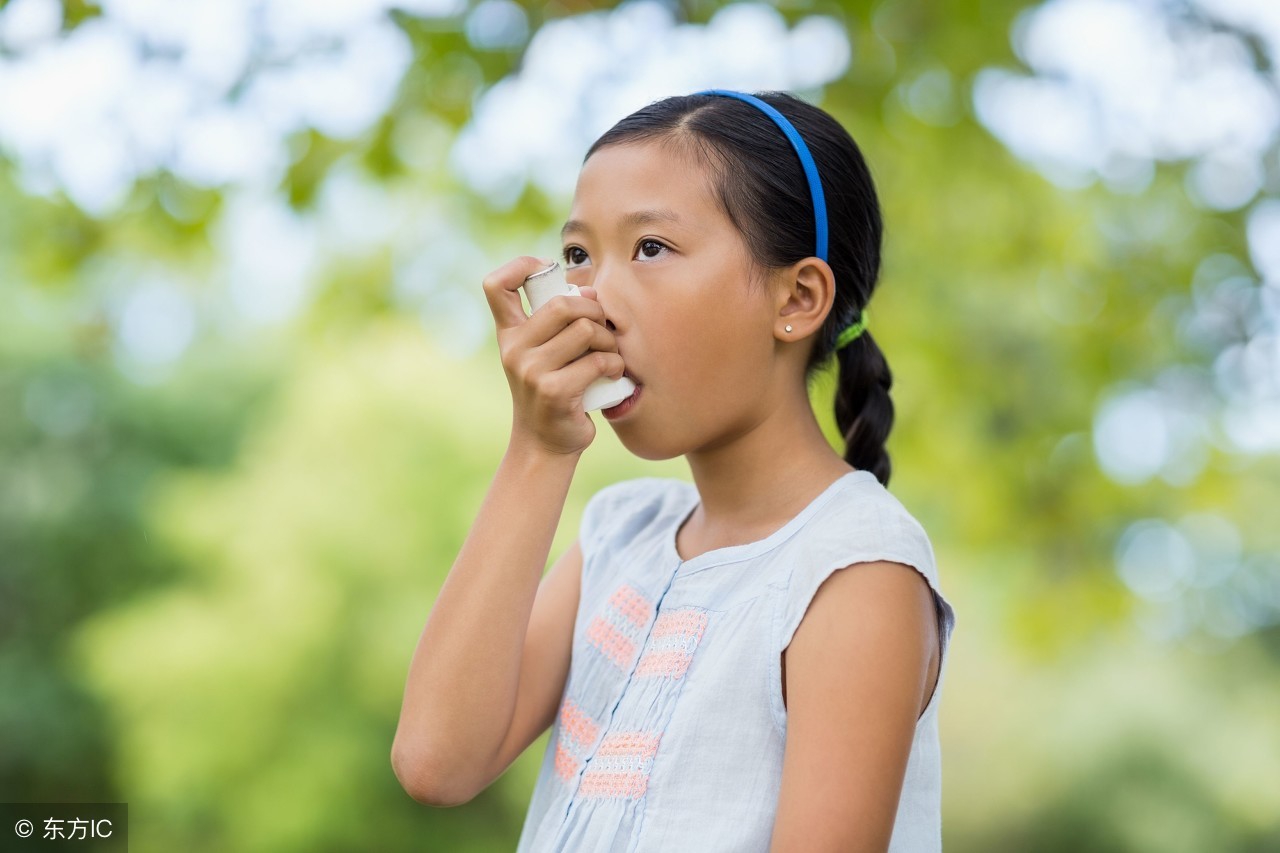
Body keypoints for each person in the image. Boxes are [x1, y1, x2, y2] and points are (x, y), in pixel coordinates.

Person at [391, 89, 959, 852]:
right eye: (577, 256)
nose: (591, 302)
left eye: (650, 248)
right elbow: (437, 760)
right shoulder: (622, 533)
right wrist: (538, 448)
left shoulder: (853, 571)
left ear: (797, 298)